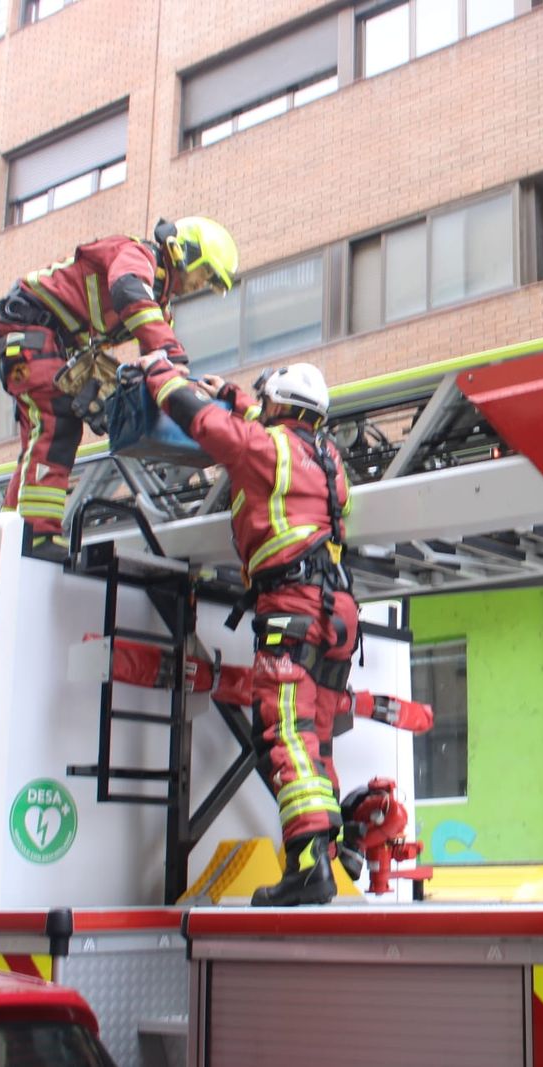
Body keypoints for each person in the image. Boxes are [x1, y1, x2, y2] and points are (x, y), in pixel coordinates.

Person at [131, 356, 355, 906]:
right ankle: (330, 849)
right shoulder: (328, 459)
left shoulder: (265, 451)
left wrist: (162, 375)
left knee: (287, 734)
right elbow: (264, 427)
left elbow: (203, 425)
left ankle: (308, 866)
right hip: (339, 613)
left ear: (279, 405)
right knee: (316, 739)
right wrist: (233, 396)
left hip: (292, 608)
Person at [0, 217, 238, 549]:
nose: (199, 284)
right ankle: (36, 535)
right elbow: (128, 292)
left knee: (40, 437)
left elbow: (159, 363)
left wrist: (184, 404)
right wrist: (172, 354)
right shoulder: (138, 255)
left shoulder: (160, 303)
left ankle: (8, 530)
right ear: (183, 251)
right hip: (30, 325)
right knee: (57, 422)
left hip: (50, 340)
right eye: (203, 273)